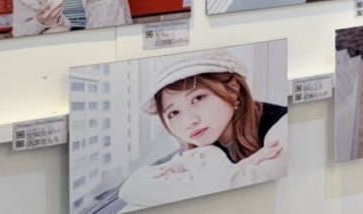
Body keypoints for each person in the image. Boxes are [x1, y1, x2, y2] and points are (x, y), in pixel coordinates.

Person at [119, 49, 287, 208]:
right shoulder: (204, 146)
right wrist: (239, 168)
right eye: (174, 112)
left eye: (198, 98)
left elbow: (236, 194)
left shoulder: (283, 126)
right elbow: (132, 188)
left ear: (232, 89)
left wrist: (214, 175)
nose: (189, 121)